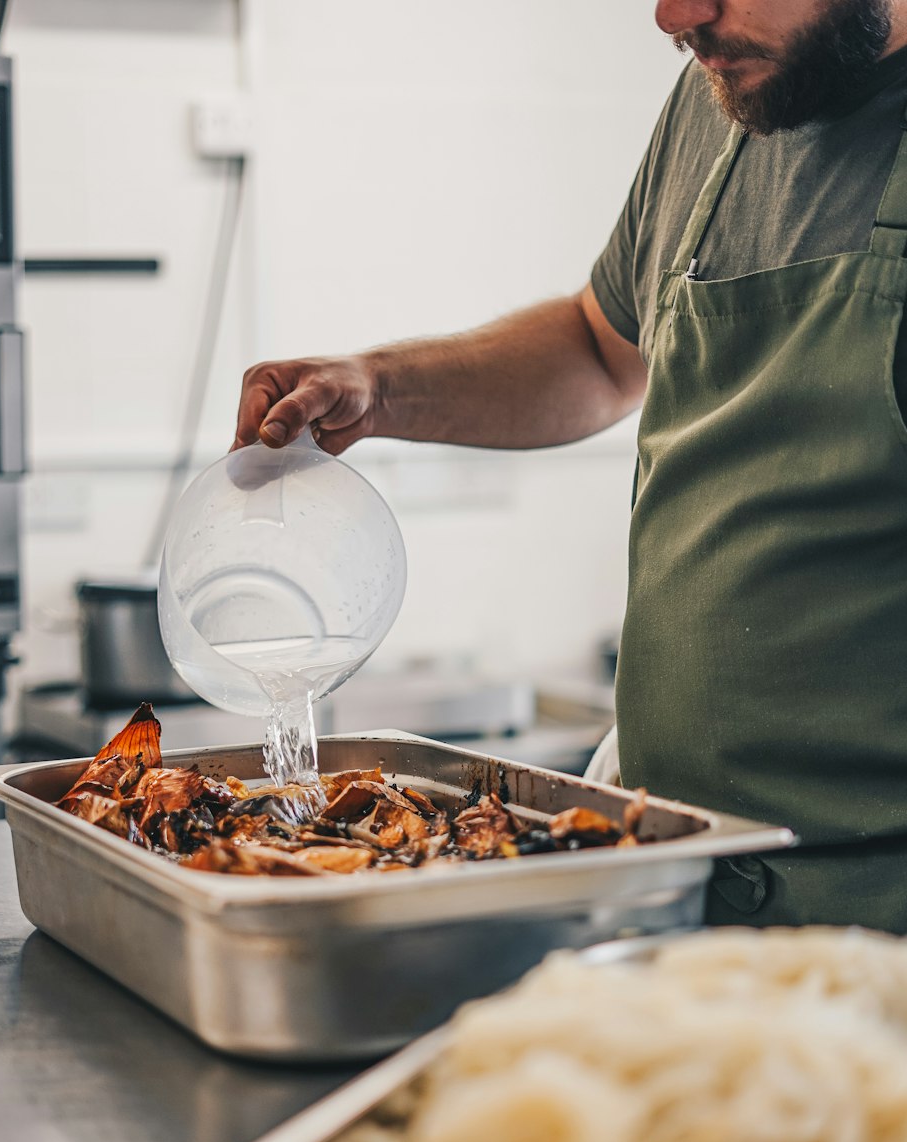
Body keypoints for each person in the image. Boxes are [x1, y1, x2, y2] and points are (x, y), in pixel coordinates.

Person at [234, 0, 907, 933]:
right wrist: (380, 388)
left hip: (874, 922)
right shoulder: (719, 100)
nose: (676, 16)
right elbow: (600, 350)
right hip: (676, 877)